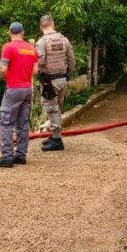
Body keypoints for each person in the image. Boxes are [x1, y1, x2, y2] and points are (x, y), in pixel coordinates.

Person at [0, 22, 38, 168]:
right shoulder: (32, 49)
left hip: (13, 88)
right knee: (23, 123)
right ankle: (21, 156)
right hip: (27, 89)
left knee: (6, 123)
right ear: (23, 32)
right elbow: (35, 71)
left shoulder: (8, 47)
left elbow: (3, 69)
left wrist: (4, 76)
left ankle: (7, 156)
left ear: (9, 32)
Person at [36, 14, 75, 152]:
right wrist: (67, 73)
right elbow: (71, 60)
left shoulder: (42, 42)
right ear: (53, 24)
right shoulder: (64, 40)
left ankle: (57, 140)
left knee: (52, 108)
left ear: (41, 27)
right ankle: (54, 136)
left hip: (49, 81)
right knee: (58, 106)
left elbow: (40, 61)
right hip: (62, 79)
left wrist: (37, 71)